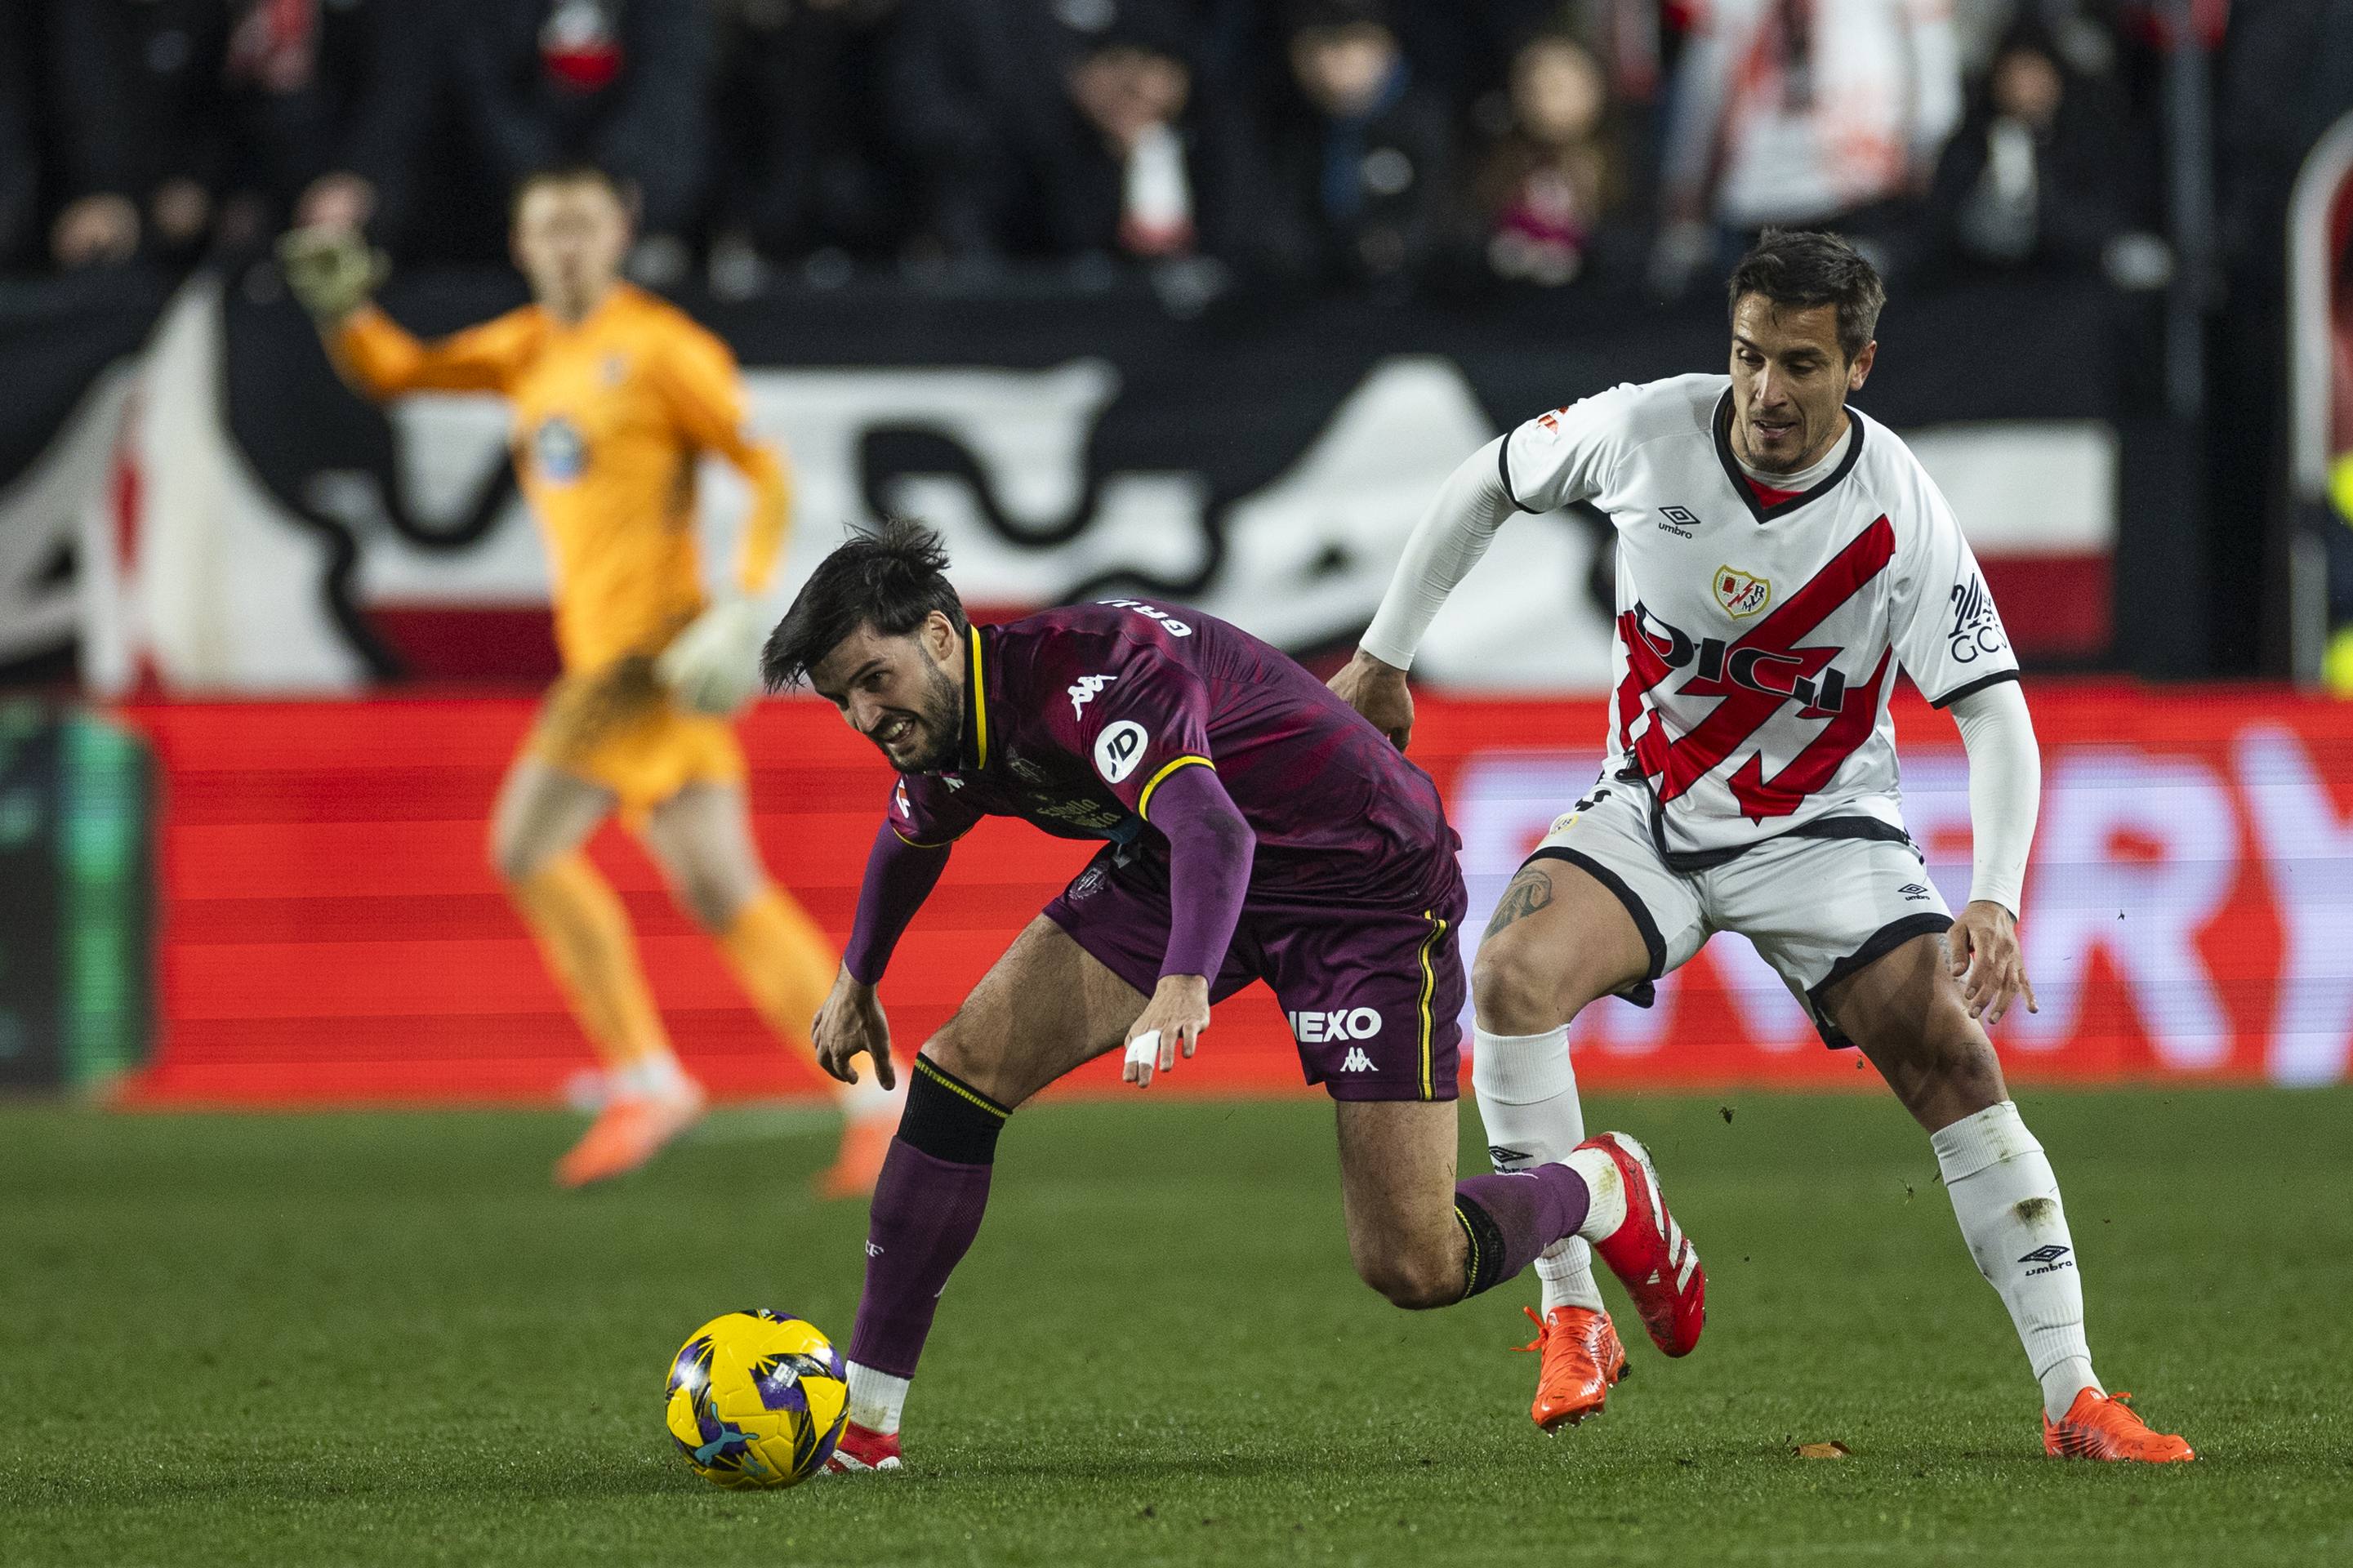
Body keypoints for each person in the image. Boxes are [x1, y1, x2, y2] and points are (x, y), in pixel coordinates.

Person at [1327, 229, 2195, 1463]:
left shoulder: (1896, 506)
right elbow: (1489, 478)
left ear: (1860, 366)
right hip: (1653, 811)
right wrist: (1385, 651)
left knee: (1953, 1056)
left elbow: (1996, 712)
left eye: (1799, 365)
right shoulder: (1645, 430)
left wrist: (1993, 898)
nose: (1765, 394)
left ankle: (2072, 1396)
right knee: (1511, 977)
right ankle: (1574, 1312)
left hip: (1823, 829)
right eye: (1746, 359)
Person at [760, 522, 1709, 1472]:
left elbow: (1216, 827)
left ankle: (1596, 1185)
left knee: (1412, 1264)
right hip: (1183, 865)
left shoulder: (1089, 678)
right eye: (842, 698)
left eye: (871, 679)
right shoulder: (946, 727)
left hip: (1360, 882)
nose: (864, 714)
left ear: (934, 635)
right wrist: (858, 979)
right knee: (959, 1072)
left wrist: (1182, 980)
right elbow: (912, 836)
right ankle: (870, 1424)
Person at [276, 165, 900, 1195]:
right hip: (626, 657)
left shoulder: (661, 348)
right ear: (521, 243)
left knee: (524, 846)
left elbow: (764, 465)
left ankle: (646, 1077)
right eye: (546, 226)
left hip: (645, 657)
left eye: (583, 224)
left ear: (621, 234)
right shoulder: (528, 346)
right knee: (720, 887)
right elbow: (399, 372)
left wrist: (748, 600)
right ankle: (879, 1097)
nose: (565, 243)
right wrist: (346, 310)